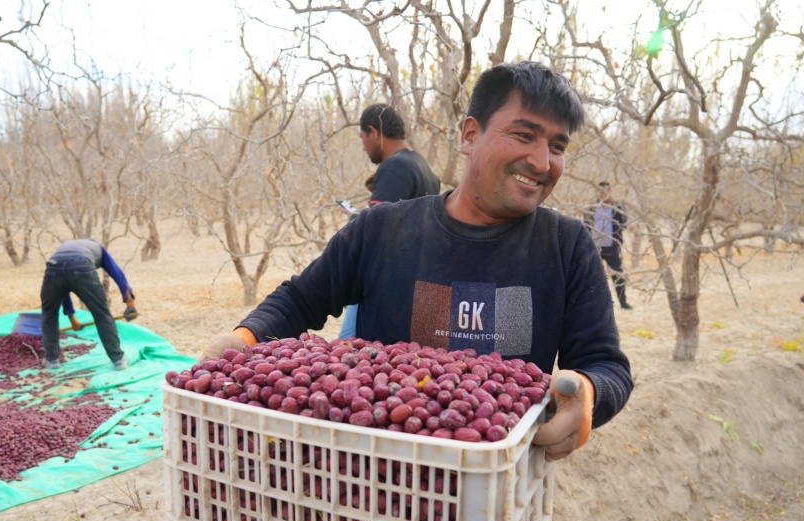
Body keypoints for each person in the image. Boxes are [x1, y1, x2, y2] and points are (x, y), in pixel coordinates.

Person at [204, 61, 633, 460]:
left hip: (493, 495)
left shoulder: (566, 245)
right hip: (374, 476)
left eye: (556, 146)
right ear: (469, 135)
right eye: (523, 135)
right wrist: (243, 340)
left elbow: (605, 364)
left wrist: (588, 393)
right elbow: (300, 299)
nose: (542, 162)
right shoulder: (381, 229)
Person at [340, 103, 441, 338]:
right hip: (417, 286)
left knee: (347, 349)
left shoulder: (394, 167)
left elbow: (372, 235)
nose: (364, 146)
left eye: (363, 137)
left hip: (386, 288)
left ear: (374, 133)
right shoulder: (423, 167)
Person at [40, 238, 139, 370]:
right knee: (102, 314)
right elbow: (117, 273)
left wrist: (72, 318)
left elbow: (62, 289)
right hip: (82, 265)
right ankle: (119, 360)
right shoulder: (100, 249)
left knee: (49, 315)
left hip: (53, 266)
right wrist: (130, 303)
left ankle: (52, 360)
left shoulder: (65, 247)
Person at [584, 180, 632, 309]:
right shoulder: (592, 208)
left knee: (618, 274)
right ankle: (595, 304)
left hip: (613, 247)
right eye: (600, 191)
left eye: (605, 191)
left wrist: (621, 208)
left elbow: (624, 224)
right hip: (596, 247)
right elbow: (586, 226)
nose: (602, 194)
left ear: (610, 192)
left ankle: (623, 302)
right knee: (594, 276)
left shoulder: (617, 207)